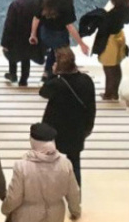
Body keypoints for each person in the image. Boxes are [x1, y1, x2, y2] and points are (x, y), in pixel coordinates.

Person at [1, 121, 81, 222]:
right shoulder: (65, 163)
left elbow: (15, 196)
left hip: (27, 213)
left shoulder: (22, 166)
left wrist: (6, 209)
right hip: (53, 211)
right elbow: (73, 191)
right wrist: (75, 210)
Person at [40, 48, 95, 184]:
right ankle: (75, 196)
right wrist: (88, 127)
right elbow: (91, 107)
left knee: (50, 162)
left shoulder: (56, 84)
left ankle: (51, 192)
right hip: (77, 129)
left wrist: (52, 75)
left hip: (55, 130)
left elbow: (43, 91)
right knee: (74, 162)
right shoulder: (86, 81)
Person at [86, 0, 129, 102]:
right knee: (116, 66)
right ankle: (115, 93)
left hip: (110, 41)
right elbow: (127, 21)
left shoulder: (112, 14)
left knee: (108, 68)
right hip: (119, 36)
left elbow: (104, 30)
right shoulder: (128, 5)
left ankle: (108, 93)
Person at [32, 0, 81, 78]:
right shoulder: (66, 0)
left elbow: (36, 18)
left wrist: (33, 34)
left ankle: (48, 71)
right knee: (63, 54)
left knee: (55, 49)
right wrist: (81, 43)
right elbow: (69, 26)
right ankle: (53, 75)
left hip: (45, 33)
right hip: (59, 35)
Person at [1, 0, 41, 87]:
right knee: (26, 58)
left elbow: (9, 25)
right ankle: (24, 79)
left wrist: (5, 43)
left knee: (11, 50)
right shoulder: (39, 2)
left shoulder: (16, 4)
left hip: (17, 41)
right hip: (34, 40)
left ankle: (13, 74)